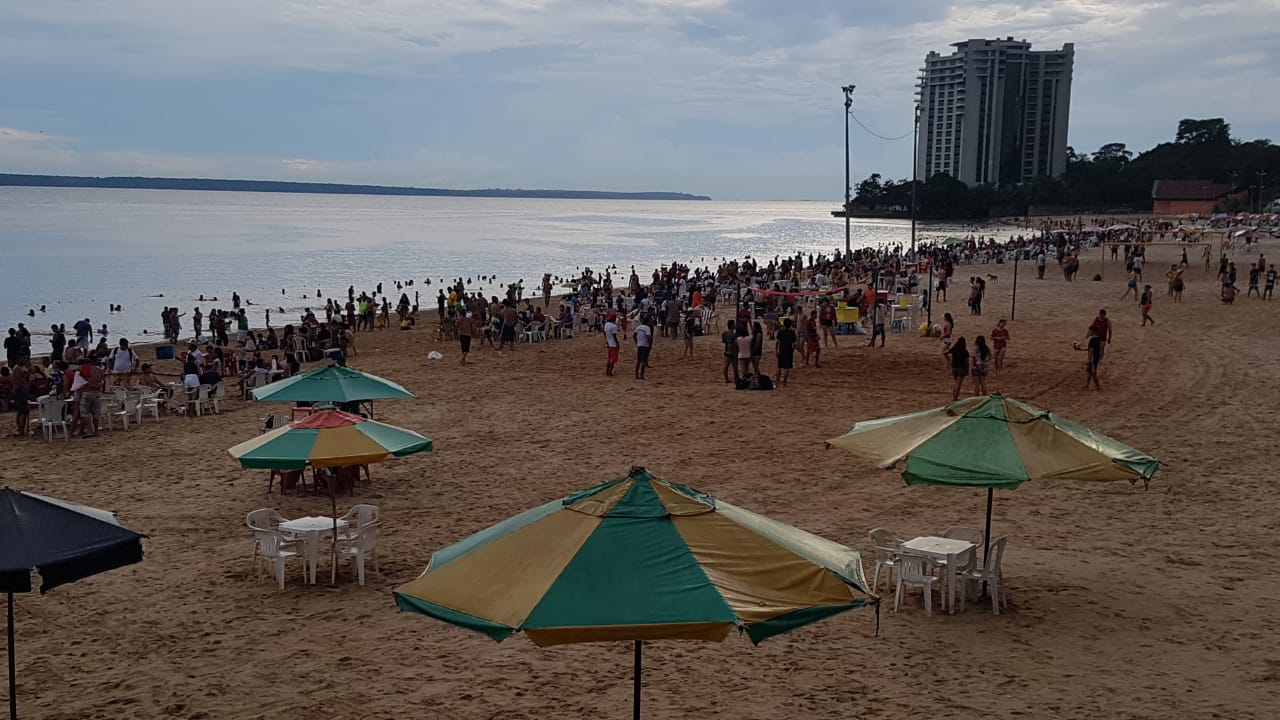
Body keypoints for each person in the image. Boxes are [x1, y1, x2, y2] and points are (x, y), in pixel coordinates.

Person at [943, 336, 970, 401]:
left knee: (956, 383)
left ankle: (954, 396)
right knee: (958, 384)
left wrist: (949, 359)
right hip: (961, 368)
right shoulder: (965, 351)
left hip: (954, 367)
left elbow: (945, 353)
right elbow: (966, 361)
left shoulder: (954, 349)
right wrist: (967, 370)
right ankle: (954, 398)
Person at [774, 317, 796, 387]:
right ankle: (784, 383)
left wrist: (776, 350)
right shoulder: (792, 333)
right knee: (787, 368)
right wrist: (792, 350)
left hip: (781, 350)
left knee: (779, 366)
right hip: (788, 350)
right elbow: (794, 344)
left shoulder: (780, 332)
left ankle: (777, 382)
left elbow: (777, 342)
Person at [634, 313, 653, 379]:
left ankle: (636, 375)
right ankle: (642, 375)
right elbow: (648, 337)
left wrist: (636, 342)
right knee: (644, 361)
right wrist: (650, 344)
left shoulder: (638, 327)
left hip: (639, 345)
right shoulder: (647, 328)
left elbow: (634, 335)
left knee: (638, 360)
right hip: (645, 345)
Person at [603, 311, 620, 376]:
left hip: (609, 343)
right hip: (613, 344)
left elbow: (604, 332)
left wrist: (606, 340)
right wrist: (617, 343)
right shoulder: (614, 326)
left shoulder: (606, 324)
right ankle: (610, 371)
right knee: (613, 359)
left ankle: (607, 371)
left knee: (609, 358)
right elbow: (614, 336)